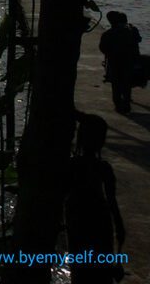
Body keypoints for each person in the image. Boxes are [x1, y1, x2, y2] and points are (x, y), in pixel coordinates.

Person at [65, 113, 125, 284]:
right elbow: (112, 202)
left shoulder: (72, 165)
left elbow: (62, 193)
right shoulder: (104, 168)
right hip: (100, 221)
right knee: (101, 271)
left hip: (77, 220)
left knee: (80, 270)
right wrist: (120, 228)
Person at [99, 11, 141, 114]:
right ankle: (126, 104)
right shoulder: (132, 30)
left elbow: (103, 47)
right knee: (126, 83)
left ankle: (118, 105)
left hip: (115, 62)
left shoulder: (108, 33)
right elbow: (138, 40)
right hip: (129, 61)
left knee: (116, 84)